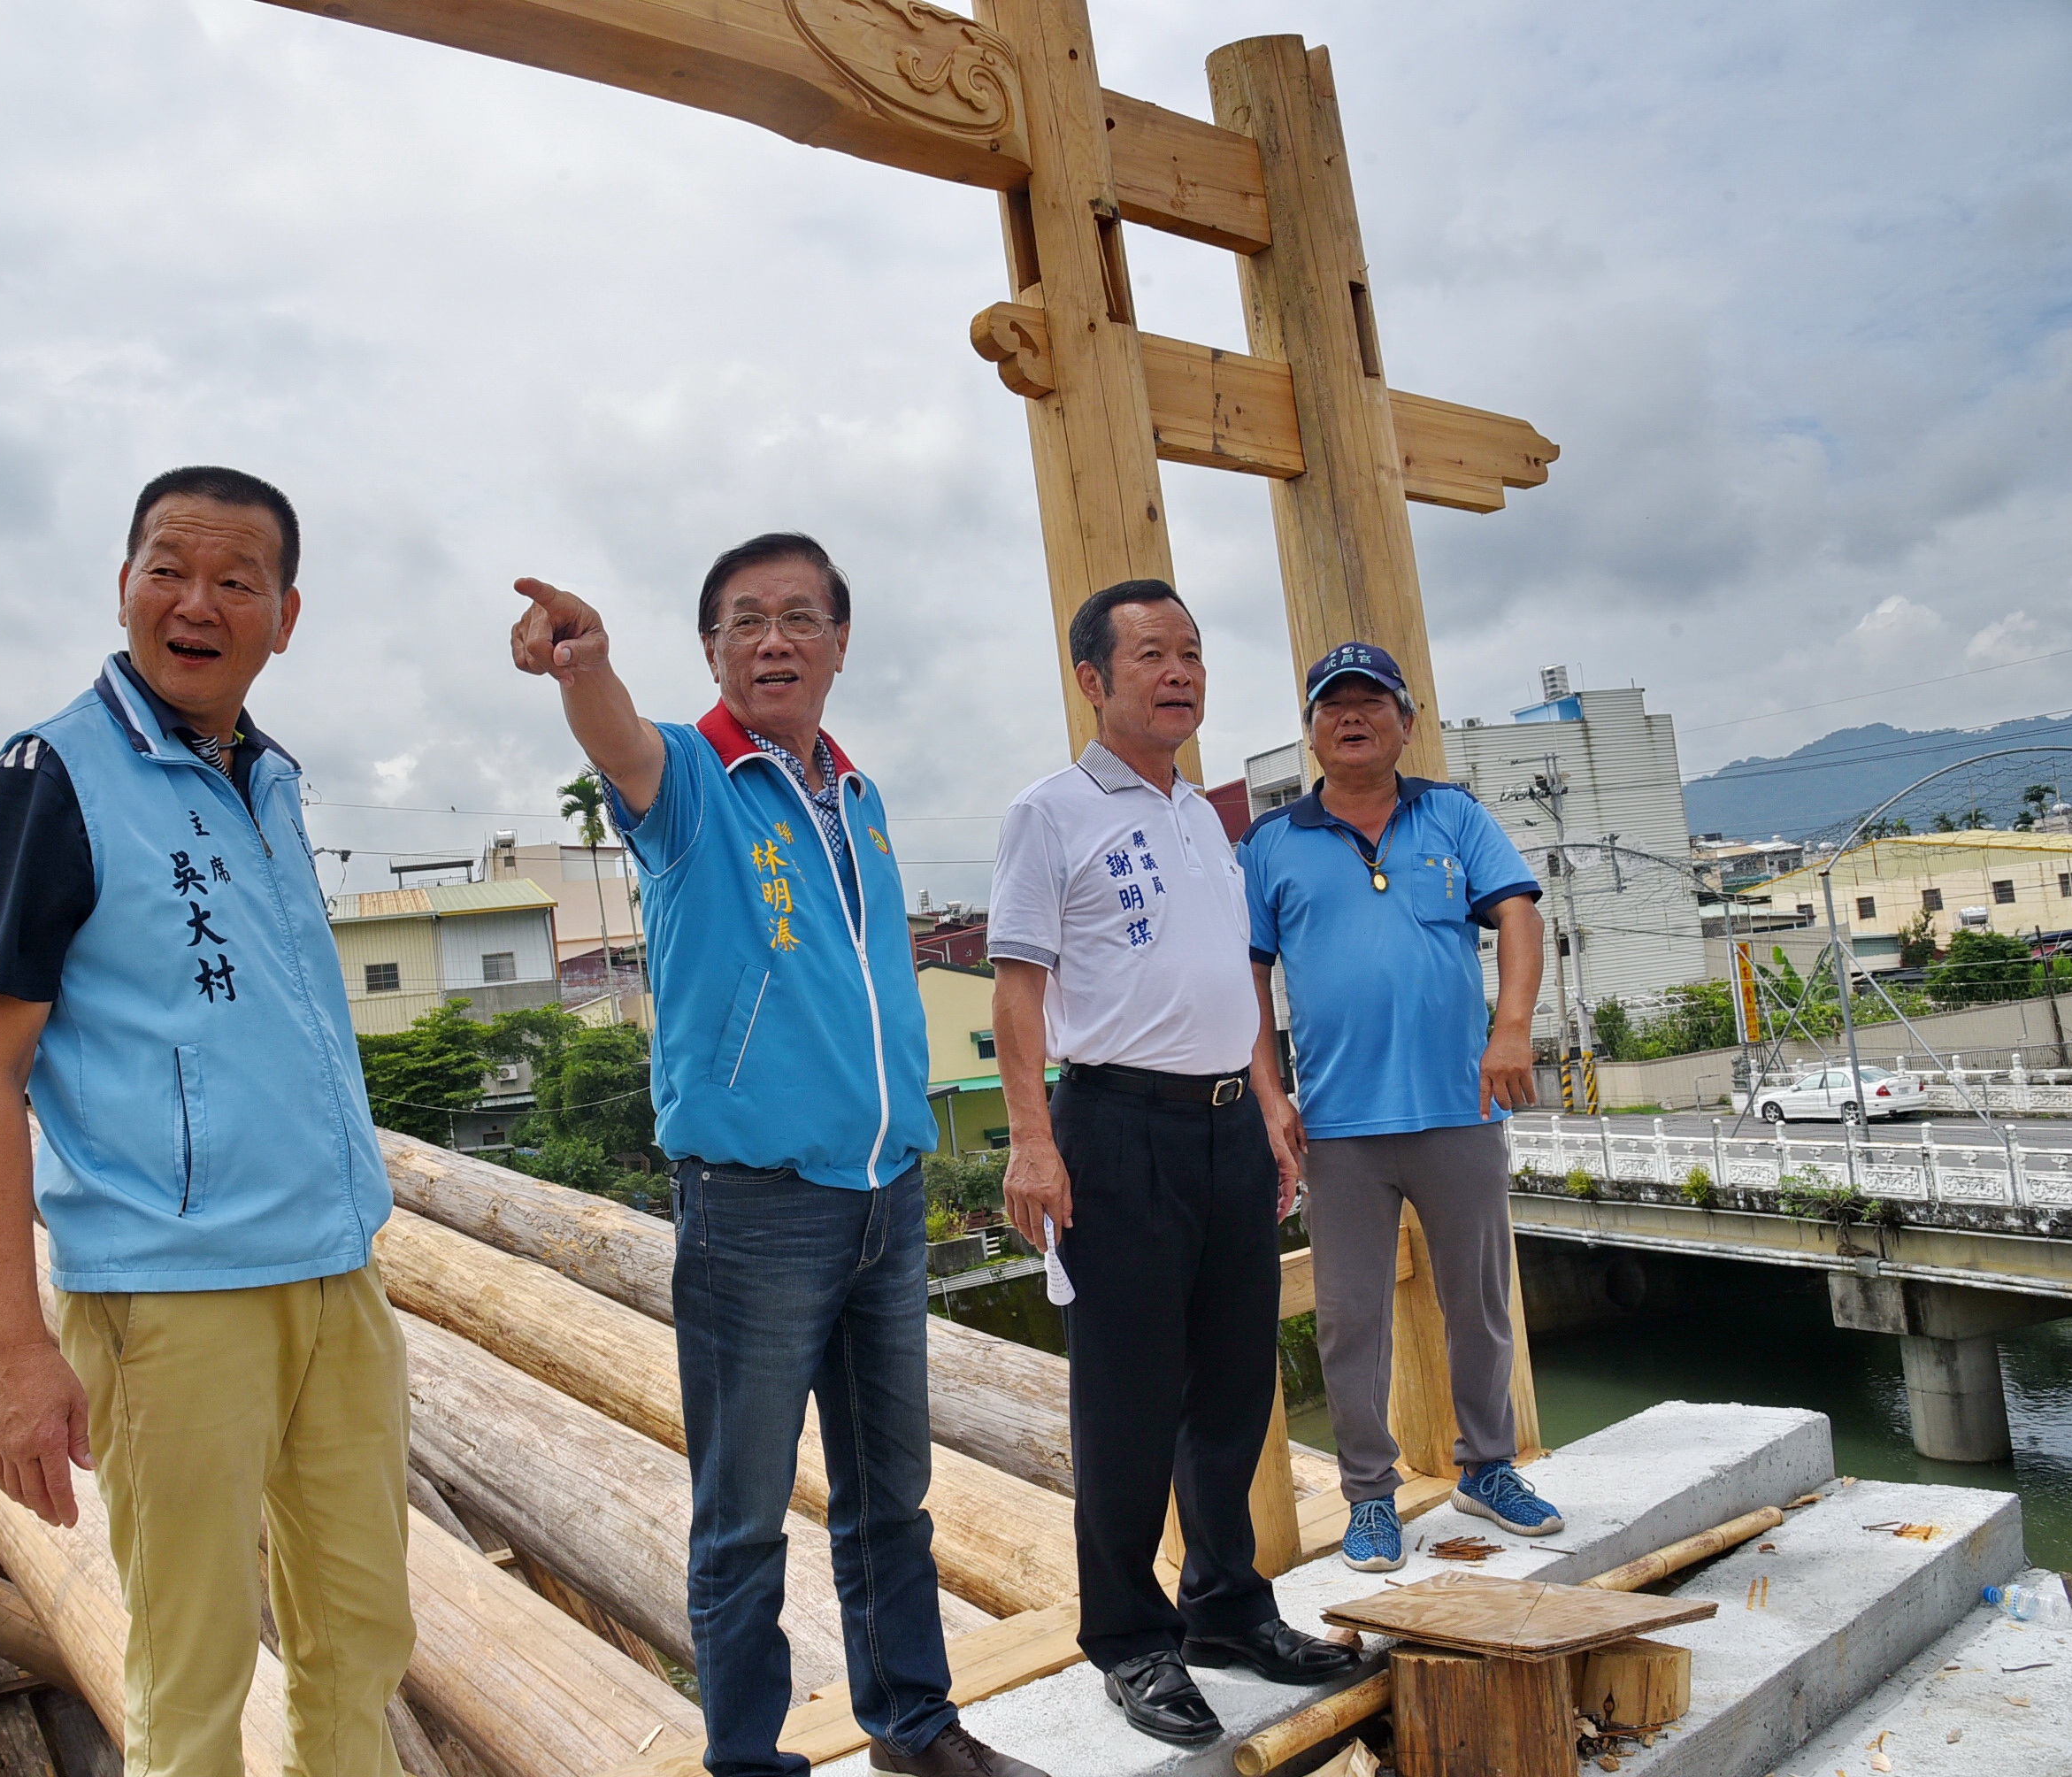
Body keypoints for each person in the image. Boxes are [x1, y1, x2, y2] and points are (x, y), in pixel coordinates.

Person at [509, 535, 1048, 1777]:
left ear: (840, 645)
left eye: (801, 618)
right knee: (744, 1514)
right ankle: (747, 1760)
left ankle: (915, 1728)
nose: (774, 641)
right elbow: (622, 746)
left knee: (890, 1500)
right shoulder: (694, 778)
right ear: (711, 649)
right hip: (756, 1203)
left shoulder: (855, 797)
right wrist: (583, 668)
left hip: (887, 1193)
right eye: (745, 620)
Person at [0, 465, 411, 1775]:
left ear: (286, 613)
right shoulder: (51, 779)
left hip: (334, 1276)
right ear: (124, 584)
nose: (194, 602)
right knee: (193, 1674)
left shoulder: (264, 779)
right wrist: (15, 1351)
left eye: (234, 580)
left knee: (362, 1636)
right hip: (171, 1303)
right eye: (168, 568)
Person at [986, 581, 1356, 1750]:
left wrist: (1265, 1103)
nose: (1179, 672)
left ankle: (1228, 1607)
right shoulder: (1048, 813)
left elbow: (1225, 984)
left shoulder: (1205, 818)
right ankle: (1132, 1640)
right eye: (1151, 655)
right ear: (1094, 681)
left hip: (1223, 1131)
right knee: (1128, 1402)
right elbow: (1016, 990)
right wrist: (1033, 1143)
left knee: (1239, 1383)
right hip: (1116, 1132)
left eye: (1191, 653)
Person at [1237, 641, 1559, 1575]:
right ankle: (1368, 1496)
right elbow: (1245, 977)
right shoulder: (1270, 844)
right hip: (1338, 1124)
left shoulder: (1452, 814)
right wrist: (1269, 1090)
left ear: (1404, 722)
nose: (1351, 716)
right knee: (1347, 1319)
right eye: (1332, 705)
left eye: (1370, 702)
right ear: (1310, 731)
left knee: (1479, 1301)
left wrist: (1510, 1027)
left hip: (1459, 1108)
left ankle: (1486, 1467)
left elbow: (1519, 916)